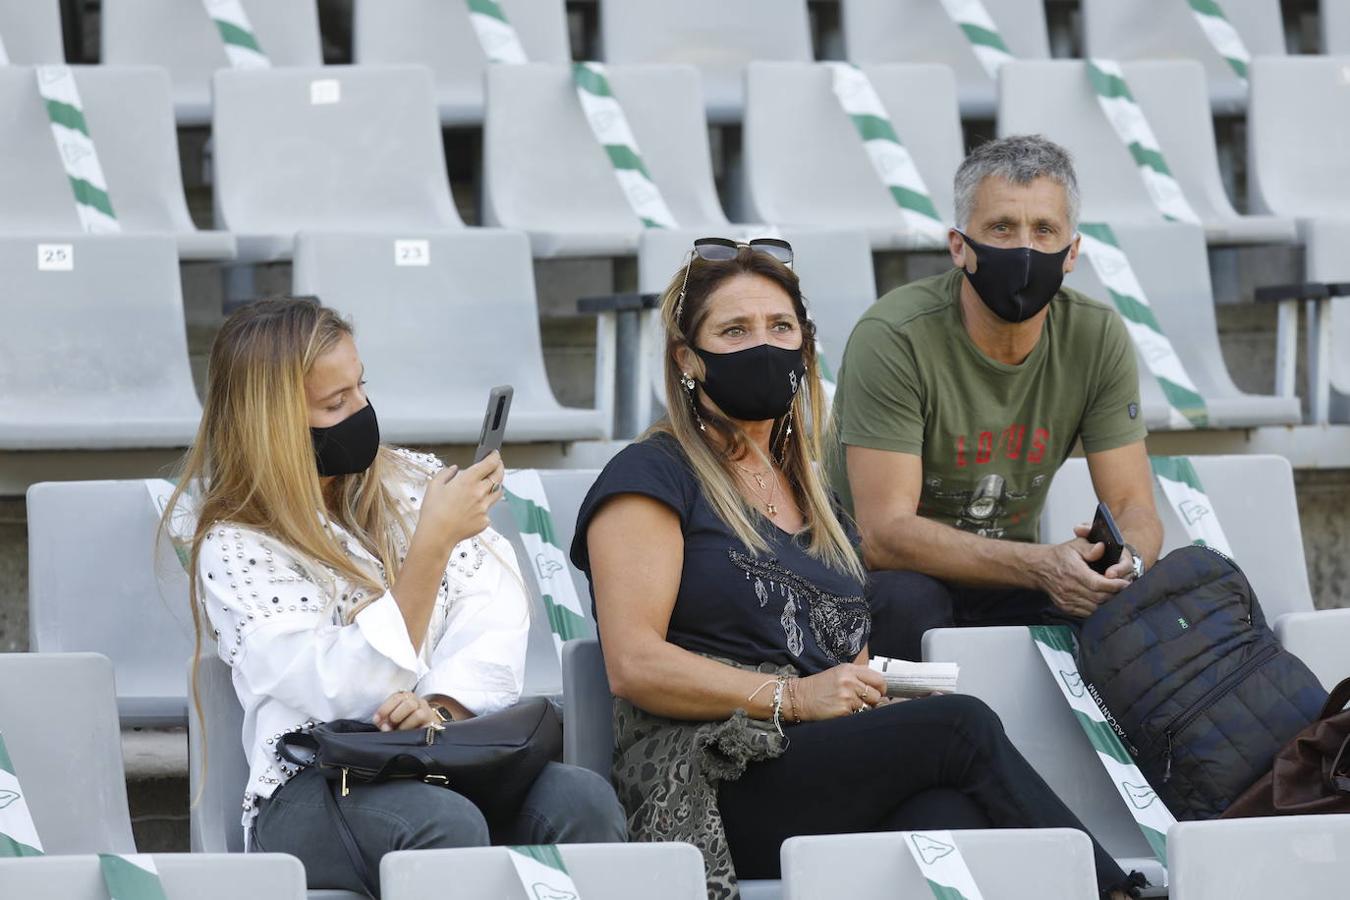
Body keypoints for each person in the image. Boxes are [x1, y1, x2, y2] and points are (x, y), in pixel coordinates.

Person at [572, 239, 1140, 900]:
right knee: (959, 728)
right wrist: (794, 697)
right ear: (688, 359)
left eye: (780, 327)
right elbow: (634, 664)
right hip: (711, 775)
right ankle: (1117, 892)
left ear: (806, 348)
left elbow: (851, 666)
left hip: (812, 766)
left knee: (945, 819)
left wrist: (879, 694)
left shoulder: (823, 507)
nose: (764, 345)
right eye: (735, 330)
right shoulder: (652, 477)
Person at [165, 298, 625, 894]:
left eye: (361, 389)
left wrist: (439, 706)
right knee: (440, 825)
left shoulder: (406, 479)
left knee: (580, 799)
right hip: (315, 779)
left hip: (442, 751)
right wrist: (430, 548)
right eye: (336, 403)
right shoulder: (235, 546)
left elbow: (494, 598)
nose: (362, 411)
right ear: (272, 424)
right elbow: (334, 683)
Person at [831, 135, 1164, 661]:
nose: (1025, 249)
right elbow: (883, 535)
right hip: (880, 579)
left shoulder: (1096, 336)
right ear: (959, 246)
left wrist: (1126, 564)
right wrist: (1040, 564)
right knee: (908, 602)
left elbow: (1133, 506)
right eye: (1002, 228)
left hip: (1009, 577)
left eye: (1044, 230)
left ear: (1072, 252)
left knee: (1129, 609)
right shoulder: (894, 335)